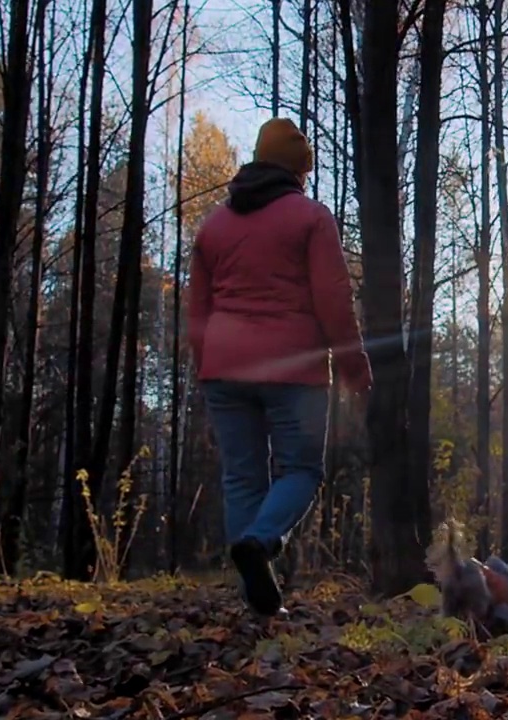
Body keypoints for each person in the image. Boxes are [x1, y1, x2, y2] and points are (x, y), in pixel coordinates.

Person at [186, 117, 372, 617]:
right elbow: (333, 301)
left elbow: (198, 310)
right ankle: (262, 542)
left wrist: (206, 366)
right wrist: (354, 367)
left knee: (242, 478)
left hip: (224, 368)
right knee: (302, 471)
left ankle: (257, 602)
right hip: (294, 368)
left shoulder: (214, 226)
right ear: (298, 171)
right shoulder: (311, 218)